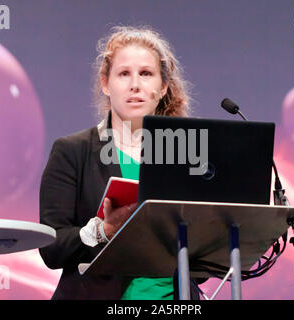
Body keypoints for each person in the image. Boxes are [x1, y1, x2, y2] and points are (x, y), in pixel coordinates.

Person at [39, 26, 194, 300]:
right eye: (124, 74)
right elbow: (52, 248)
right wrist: (103, 231)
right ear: (105, 84)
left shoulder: (183, 154)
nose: (135, 84)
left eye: (146, 74)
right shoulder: (72, 151)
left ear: (163, 87)